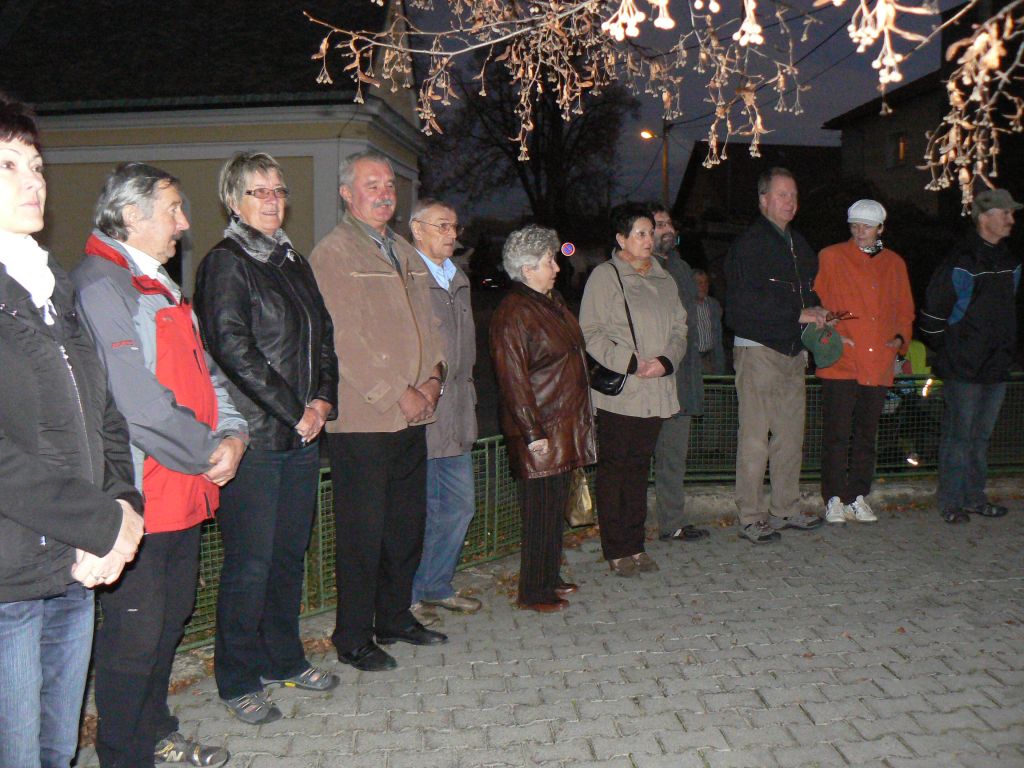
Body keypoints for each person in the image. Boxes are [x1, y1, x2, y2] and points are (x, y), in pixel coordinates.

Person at [72, 162, 248, 768]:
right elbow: (137, 404)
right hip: (140, 493)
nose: (185, 223)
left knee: (170, 619)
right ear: (131, 215)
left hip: (185, 485)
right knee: (134, 637)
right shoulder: (102, 285)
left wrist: (235, 434)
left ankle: (155, 731)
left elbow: (207, 372)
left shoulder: (158, 281)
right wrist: (209, 450)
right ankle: (125, 754)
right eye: (173, 209)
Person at [0, 94, 144, 768]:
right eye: (7, 165)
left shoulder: (50, 288)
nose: (33, 180)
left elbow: (104, 412)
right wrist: (101, 522)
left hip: (74, 567)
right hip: (9, 580)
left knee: (57, 752)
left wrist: (123, 507)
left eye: (36, 165)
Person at [193, 152, 340, 725]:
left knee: (287, 558)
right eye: (259, 192)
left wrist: (322, 400)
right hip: (253, 439)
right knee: (249, 565)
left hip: (301, 434)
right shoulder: (226, 263)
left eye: (278, 190)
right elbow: (232, 349)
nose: (273, 201)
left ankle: (284, 658)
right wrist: (293, 410)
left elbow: (323, 335)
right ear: (234, 201)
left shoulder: (291, 259)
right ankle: (237, 678)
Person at [310, 151, 447, 673]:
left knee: (405, 527)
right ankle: (353, 636)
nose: (385, 193)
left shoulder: (403, 250)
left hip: (413, 415)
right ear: (347, 194)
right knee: (363, 535)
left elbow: (431, 325)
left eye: (389, 184)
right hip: (367, 421)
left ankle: (393, 617)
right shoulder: (334, 253)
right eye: (372, 184)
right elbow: (343, 340)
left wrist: (434, 377)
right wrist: (397, 391)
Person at [489, 225, 596, 610]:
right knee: (539, 513)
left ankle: (549, 576)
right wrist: (532, 432)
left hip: (562, 424)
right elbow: (512, 379)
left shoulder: (549, 303)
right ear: (527, 269)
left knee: (553, 510)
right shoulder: (514, 312)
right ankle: (533, 591)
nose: (557, 267)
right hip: (540, 430)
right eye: (549, 261)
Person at [580, 203, 688, 575]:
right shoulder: (605, 276)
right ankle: (616, 549)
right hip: (622, 391)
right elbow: (590, 332)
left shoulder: (664, 278)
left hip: (656, 388)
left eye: (650, 232)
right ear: (621, 238)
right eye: (640, 233)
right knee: (616, 469)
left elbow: (680, 328)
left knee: (640, 469)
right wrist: (630, 362)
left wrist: (666, 361)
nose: (648, 239)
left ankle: (636, 545)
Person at [724, 167, 830, 544]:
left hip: (792, 351)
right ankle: (751, 516)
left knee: (790, 436)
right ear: (763, 199)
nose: (790, 201)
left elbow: (806, 296)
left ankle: (785, 508)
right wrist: (797, 314)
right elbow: (739, 309)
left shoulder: (799, 244)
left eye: (794, 195)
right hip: (758, 351)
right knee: (755, 438)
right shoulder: (749, 246)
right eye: (782, 194)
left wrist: (818, 311)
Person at [921, 188, 1022, 524]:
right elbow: (932, 316)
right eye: (1005, 213)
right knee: (959, 437)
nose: (1011, 219)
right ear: (984, 218)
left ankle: (975, 498)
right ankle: (951, 503)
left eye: (1011, 213)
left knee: (980, 438)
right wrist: (953, 349)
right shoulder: (961, 261)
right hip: (963, 367)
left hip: (996, 365)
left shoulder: (1010, 261)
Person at [814, 199, 914, 524]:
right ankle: (833, 497)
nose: (860, 232)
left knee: (866, 434)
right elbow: (817, 302)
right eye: (855, 226)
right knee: (837, 433)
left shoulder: (894, 263)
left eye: (867, 227)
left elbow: (905, 309)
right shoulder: (831, 256)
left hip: (877, 359)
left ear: (880, 228)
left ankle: (857, 495)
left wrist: (899, 339)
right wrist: (832, 333)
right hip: (841, 358)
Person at [407, 199, 481, 627]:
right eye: (442, 226)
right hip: (424, 411)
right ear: (417, 229)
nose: (452, 234)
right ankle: (410, 595)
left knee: (459, 506)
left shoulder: (458, 278)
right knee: (421, 511)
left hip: (457, 411)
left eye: (455, 227)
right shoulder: (407, 277)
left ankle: (436, 584)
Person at [649, 203, 709, 543]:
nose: (667, 229)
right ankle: (625, 527)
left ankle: (672, 522)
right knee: (636, 456)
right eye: (659, 224)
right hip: (651, 377)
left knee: (674, 455)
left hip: (681, 377)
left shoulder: (682, 267)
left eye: (669, 223)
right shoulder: (639, 268)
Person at [692, 269, 726, 375]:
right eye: (699, 283)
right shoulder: (685, 306)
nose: (703, 286)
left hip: (711, 358)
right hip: (692, 359)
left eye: (706, 282)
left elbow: (718, 337)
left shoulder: (714, 305)